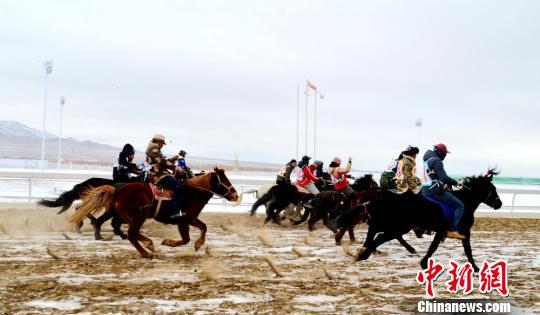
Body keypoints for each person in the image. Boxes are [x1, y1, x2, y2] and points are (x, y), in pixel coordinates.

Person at [421, 143, 465, 240]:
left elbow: (434, 176)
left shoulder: (427, 160)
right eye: (445, 153)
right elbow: (443, 177)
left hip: (425, 190)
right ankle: (452, 230)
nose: (445, 155)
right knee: (460, 205)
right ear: (440, 153)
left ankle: (434, 227)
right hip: (434, 192)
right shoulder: (437, 161)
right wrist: (456, 182)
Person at [146, 134, 184, 218]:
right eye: (162, 143)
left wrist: (171, 159)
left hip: (159, 173)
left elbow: (160, 160)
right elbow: (161, 162)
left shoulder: (154, 148)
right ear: (157, 141)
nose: (163, 145)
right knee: (178, 187)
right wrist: (175, 167)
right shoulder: (154, 148)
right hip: (158, 174)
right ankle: (175, 212)